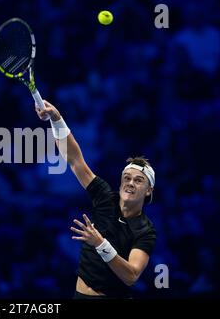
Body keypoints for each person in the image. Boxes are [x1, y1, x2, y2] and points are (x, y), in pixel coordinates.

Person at [36, 100, 157, 298]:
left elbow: (131, 276)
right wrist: (57, 119)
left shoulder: (146, 230)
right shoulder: (104, 197)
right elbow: (74, 159)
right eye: (126, 178)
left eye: (138, 180)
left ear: (148, 191)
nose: (130, 183)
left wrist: (101, 244)